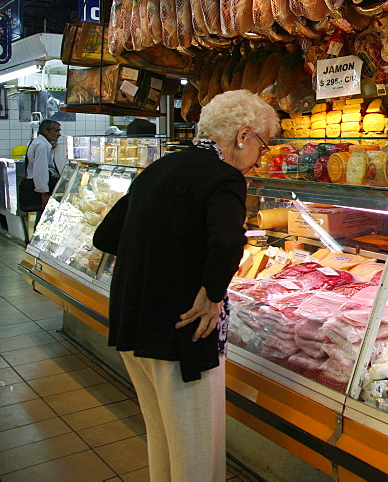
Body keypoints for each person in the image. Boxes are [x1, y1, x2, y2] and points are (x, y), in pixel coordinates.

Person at [93, 90, 279, 482]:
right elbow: (228, 241)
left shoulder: (161, 167)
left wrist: (164, 253)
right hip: (183, 329)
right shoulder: (224, 176)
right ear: (243, 135)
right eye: (263, 143)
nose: (261, 155)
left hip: (132, 323)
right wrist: (211, 295)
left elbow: (106, 236)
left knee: (163, 438)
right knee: (195, 450)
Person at [27, 119, 61, 208]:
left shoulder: (37, 142)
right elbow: (40, 171)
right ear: (45, 131)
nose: (59, 134)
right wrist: (44, 194)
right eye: (56, 131)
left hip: (40, 188)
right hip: (42, 190)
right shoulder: (42, 146)